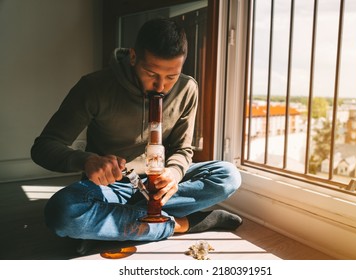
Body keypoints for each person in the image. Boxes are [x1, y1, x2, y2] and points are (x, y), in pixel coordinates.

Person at [31, 18, 242, 248]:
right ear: (133, 57)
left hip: (160, 186)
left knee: (228, 175)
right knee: (62, 212)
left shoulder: (187, 88)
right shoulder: (94, 87)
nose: (161, 86)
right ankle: (182, 224)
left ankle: (113, 222)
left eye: (171, 76)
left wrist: (173, 173)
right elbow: (44, 147)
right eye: (151, 73)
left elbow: (183, 149)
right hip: (113, 187)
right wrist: (87, 160)